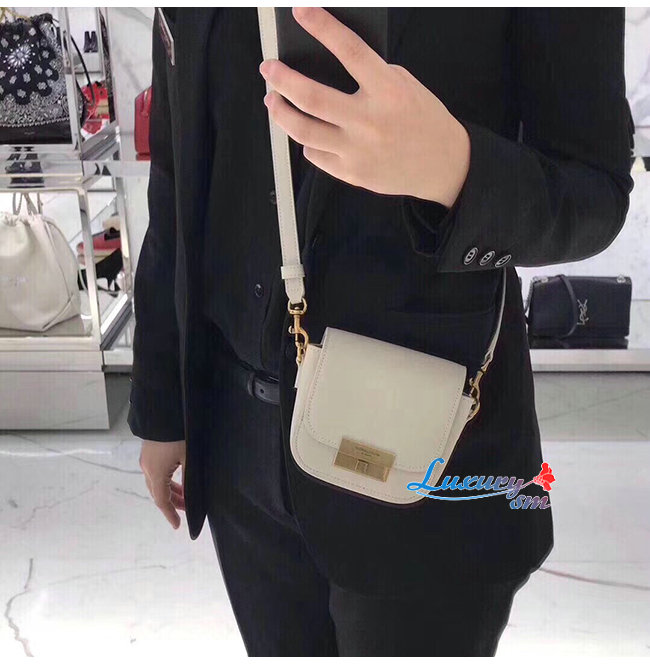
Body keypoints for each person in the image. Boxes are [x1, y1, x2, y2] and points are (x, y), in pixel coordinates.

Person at [130, 7, 634, 656]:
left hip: (429, 452)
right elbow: (178, 164)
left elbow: (594, 190)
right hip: (237, 440)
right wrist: (163, 400)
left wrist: (454, 168)